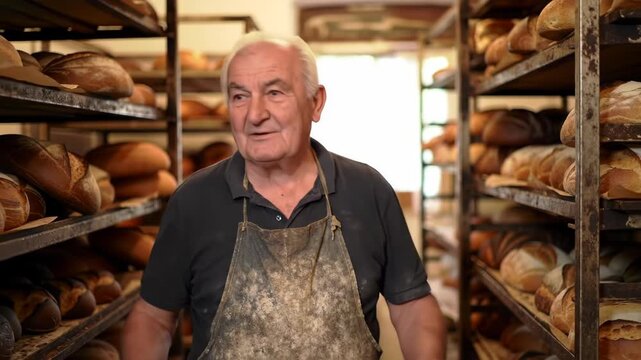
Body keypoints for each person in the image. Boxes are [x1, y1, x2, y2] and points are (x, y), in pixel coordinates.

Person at [123, 31, 446, 360]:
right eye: (239, 97)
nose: (255, 114)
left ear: (315, 103)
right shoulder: (193, 201)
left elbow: (412, 308)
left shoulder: (368, 191)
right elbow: (153, 319)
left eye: (274, 92)